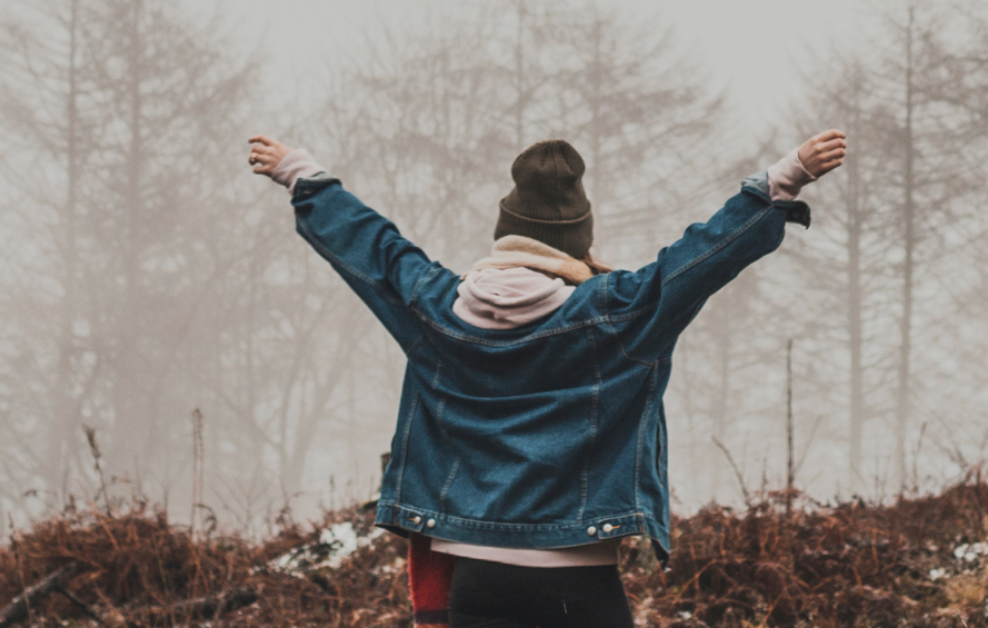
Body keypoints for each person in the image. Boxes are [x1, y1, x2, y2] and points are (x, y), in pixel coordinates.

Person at [248, 130, 846, 628]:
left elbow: (375, 250)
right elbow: (697, 261)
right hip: (578, 585)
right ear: (577, 242)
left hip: (475, 584)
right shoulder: (615, 315)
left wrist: (303, 175)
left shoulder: (434, 308)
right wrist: (782, 180)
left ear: (505, 236)